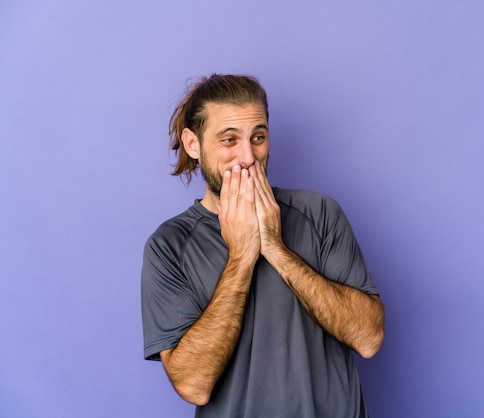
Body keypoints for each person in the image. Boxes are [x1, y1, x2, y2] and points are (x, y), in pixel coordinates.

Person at [141, 73, 385, 418]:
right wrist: (241, 256)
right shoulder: (169, 245)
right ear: (193, 144)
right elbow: (193, 384)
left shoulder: (320, 213)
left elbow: (368, 338)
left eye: (258, 137)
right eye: (229, 140)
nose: (248, 156)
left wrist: (274, 246)